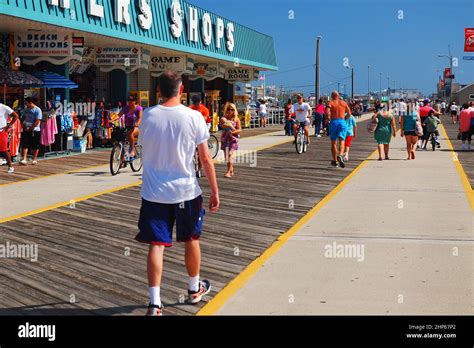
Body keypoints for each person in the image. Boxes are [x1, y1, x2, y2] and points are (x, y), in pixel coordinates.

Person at [135, 71, 220, 316]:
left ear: (158, 91)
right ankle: (194, 289)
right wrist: (214, 190)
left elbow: (144, 148)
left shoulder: (148, 116)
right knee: (191, 239)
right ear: (181, 89)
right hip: (186, 192)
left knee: (156, 245)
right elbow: (205, 158)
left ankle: (154, 302)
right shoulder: (194, 117)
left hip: (153, 193)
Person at [325, 91, 351, 167]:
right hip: (342, 122)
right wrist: (344, 119)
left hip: (334, 122)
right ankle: (340, 155)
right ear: (338, 95)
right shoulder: (344, 103)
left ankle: (335, 160)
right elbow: (349, 114)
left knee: (333, 143)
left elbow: (327, 112)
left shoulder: (330, 103)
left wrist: (328, 119)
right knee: (342, 140)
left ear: (332, 96)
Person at [220, 103, 241, 178]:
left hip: (233, 139)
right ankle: (231, 169)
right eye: (228, 109)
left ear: (234, 110)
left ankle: (228, 171)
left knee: (229, 155)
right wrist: (225, 125)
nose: (229, 111)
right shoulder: (224, 118)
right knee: (226, 156)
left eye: (231, 109)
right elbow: (221, 126)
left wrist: (232, 131)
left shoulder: (236, 119)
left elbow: (239, 129)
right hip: (225, 138)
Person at [20, 97, 42, 165]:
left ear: (30, 102)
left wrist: (31, 128)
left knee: (36, 145)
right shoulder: (26, 110)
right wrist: (23, 125)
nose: (25, 104)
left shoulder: (37, 110)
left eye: (26, 102)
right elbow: (23, 118)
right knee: (25, 144)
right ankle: (24, 159)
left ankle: (34, 159)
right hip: (26, 129)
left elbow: (38, 121)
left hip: (35, 130)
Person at [0, 103, 19, 173]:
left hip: (1, 131)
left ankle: (10, 166)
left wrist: (9, 125)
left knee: (4, 150)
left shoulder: (4, 107)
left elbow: (16, 116)